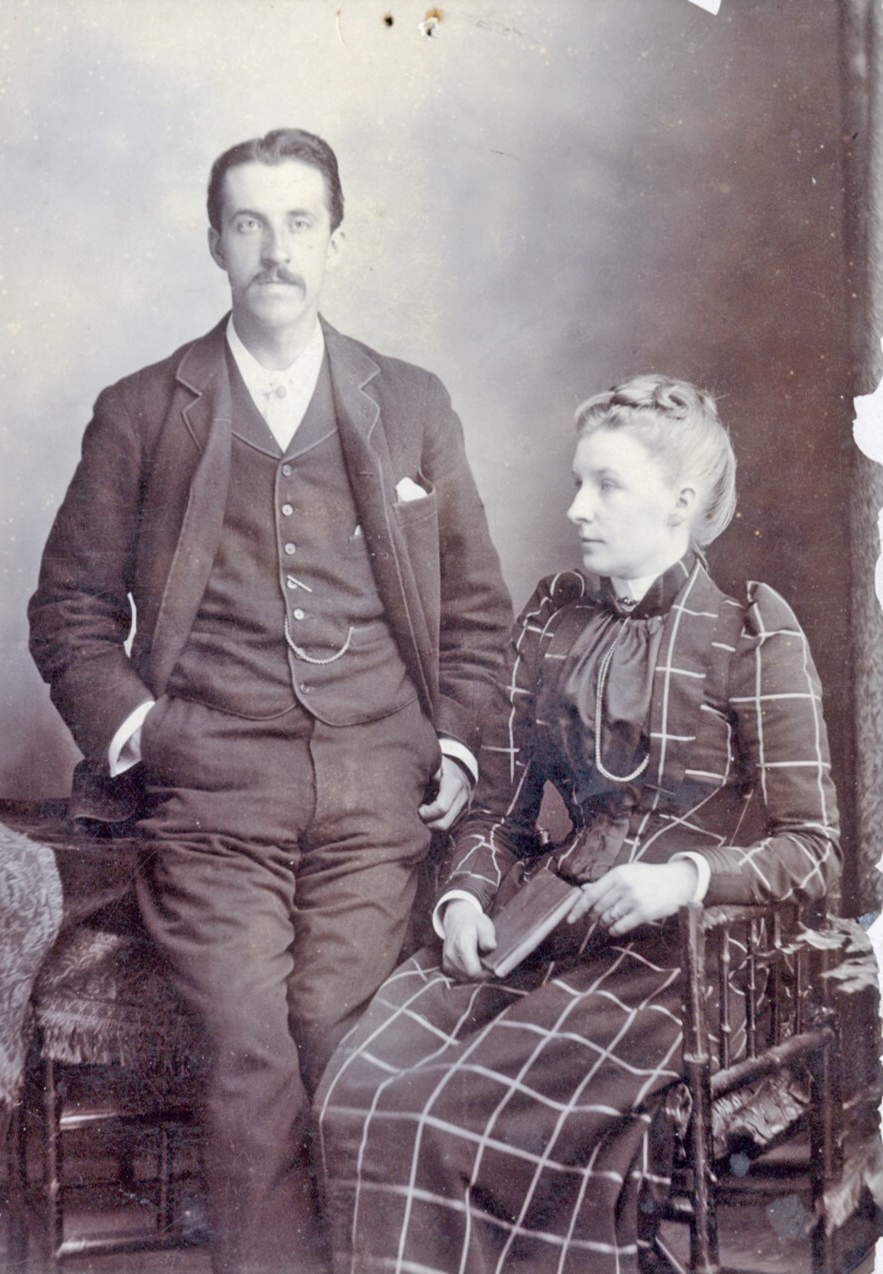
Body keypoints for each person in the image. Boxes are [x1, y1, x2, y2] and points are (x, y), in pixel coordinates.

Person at [27, 129, 512, 1274]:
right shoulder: (146, 408)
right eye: (250, 223)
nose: (276, 249)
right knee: (249, 1048)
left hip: (374, 789)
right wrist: (146, 731)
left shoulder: (414, 403)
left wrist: (453, 739)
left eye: (300, 223)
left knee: (336, 1030)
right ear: (214, 243)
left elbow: (479, 611)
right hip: (210, 797)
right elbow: (70, 611)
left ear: (335, 240)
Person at [315, 374, 842, 1273]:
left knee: (452, 1123)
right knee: (355, 1094)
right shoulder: (553, 620)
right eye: (576, 483)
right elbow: (496, 809)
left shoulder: (752, 632)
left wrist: (683, 880)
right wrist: (465, 903)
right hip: (541, 928)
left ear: (679, 503)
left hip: (687, 963)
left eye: (605, 486)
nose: (576, 509)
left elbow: (814, 852)